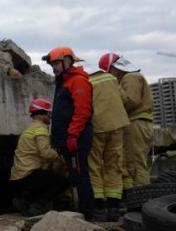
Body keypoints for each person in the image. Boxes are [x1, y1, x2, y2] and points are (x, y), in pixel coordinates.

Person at [42, 47, 97, 220]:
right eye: (52, 64)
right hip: (68, 139)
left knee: (81, 174)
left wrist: (73, 135)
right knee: (75, 175)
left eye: (57, 63)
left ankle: (87, 212)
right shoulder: (64, 82)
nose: (54, 67)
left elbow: (82, 111)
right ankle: (81, 208)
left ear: (68, 61)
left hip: (77, 138)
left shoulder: (78, 81)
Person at [99, 53, 154, 189]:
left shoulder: (130, 77)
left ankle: (141, 198)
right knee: (135, 162)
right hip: (140, 123)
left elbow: (131, 100)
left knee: (135, 164)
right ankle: (136, 197)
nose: (110, 75)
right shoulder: (134, 76)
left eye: (109, 71)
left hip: (135, 124)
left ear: (115, 67)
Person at [10, 99, 69, 217]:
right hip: (29, 174)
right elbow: (46, 153)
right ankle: (38, 205)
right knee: (62, 182)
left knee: (45, 177)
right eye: (49, 114)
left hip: (18, 176)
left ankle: (24, 200)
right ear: (43, 115)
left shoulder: (29, 129)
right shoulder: (41, 129)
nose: (51, 118)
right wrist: (62, 158)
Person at [88, 61, 131, 221]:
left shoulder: (86, 81)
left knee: (95, 165)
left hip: (97, 126)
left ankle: (100, 208)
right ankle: (114, 207)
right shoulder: (111, 79)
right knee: (114, 164)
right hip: (117, 124)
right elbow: (125, 98)